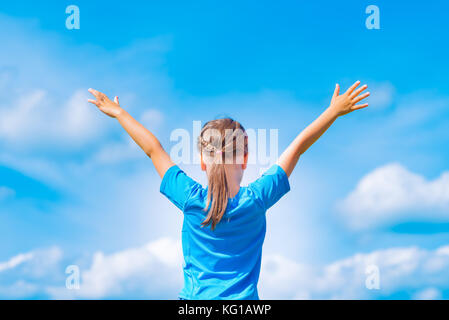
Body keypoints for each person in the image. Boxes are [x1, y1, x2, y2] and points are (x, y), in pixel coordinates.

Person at [88, 81, 370, 299]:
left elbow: (153, 149)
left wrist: (119, 113)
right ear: (245, 158)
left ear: (202, 161)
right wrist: (333, 111)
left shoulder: (190, 198)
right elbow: (297, 147)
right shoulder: (257, 199)